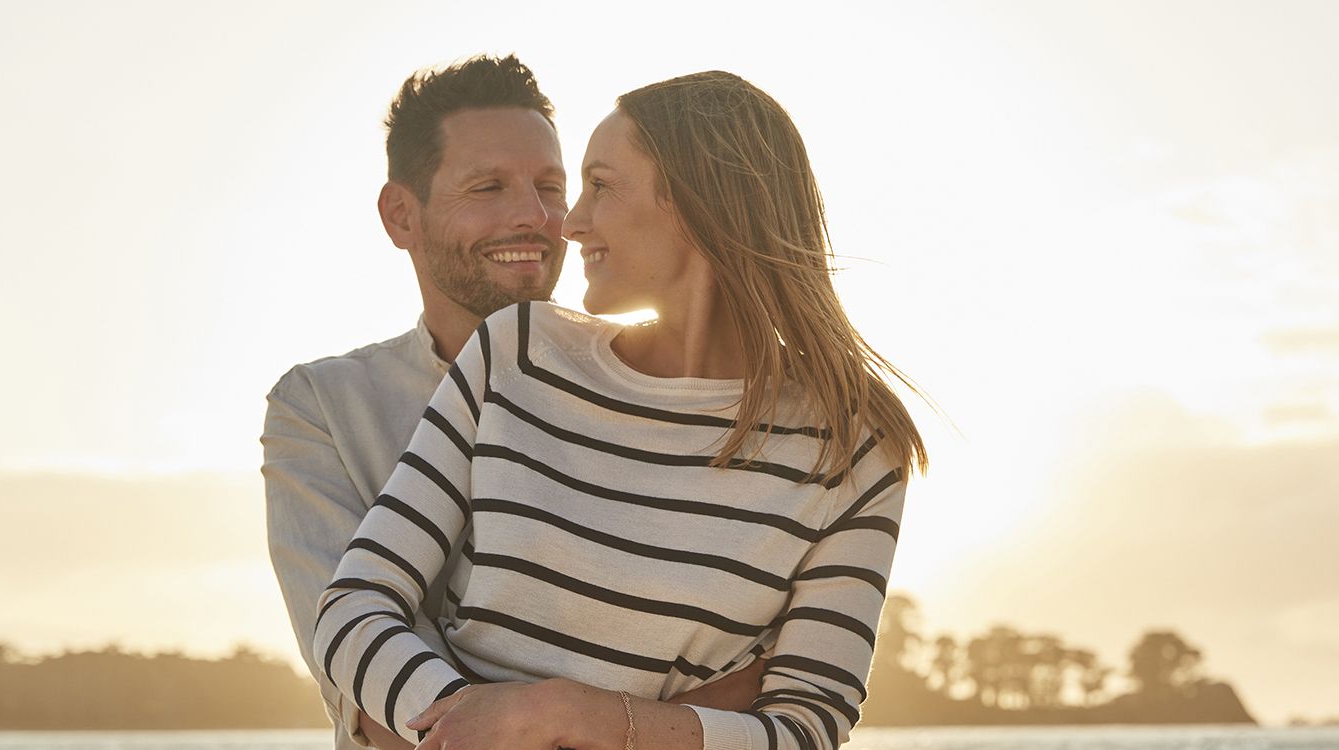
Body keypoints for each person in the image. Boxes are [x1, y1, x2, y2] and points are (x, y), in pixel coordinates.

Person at [313, 70, 928, 750]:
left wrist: (572, 717)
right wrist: (471, 723)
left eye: (600, 186)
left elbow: (808, 724)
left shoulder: (853, 442)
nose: (570, 223)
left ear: (699, 204)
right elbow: (355, 606)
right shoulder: (518, 352)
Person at [262, 56, 761, 750]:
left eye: (551, 186)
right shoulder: (321, 406)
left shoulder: (668, 390)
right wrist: (638, 720)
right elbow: (374, 700)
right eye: (488, 187)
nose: (536, 216)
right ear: (401, 215)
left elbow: (761, 685)